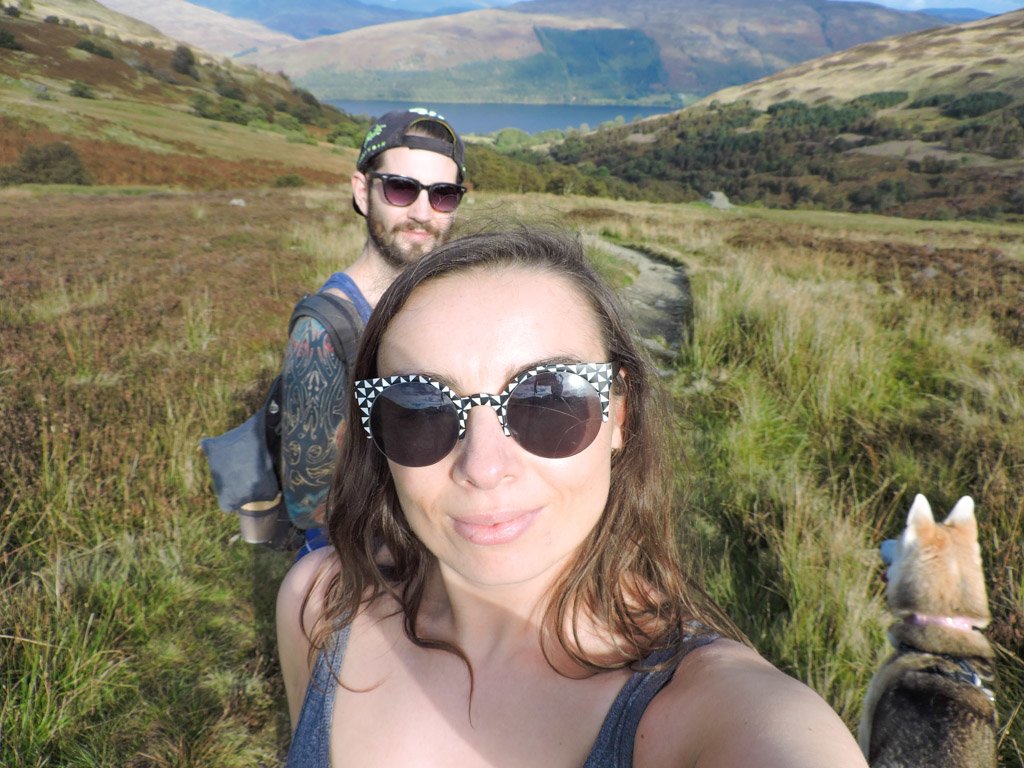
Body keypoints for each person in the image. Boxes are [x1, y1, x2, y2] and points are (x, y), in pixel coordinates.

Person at [276, 227, 869, 766]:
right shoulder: (320, 608)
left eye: (547, 400)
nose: (483, 468)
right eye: (420, 407)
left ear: (619, 415)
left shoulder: (717, 715)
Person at [280, 107, 467, 558]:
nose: (422, 213)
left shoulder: (451, 304)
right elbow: (310, 504)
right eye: (402, 189)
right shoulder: (325, 329)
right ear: (363, 192)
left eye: (443, 195)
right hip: (369, 566)